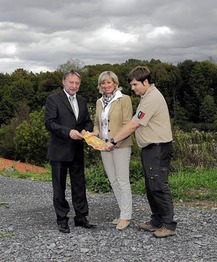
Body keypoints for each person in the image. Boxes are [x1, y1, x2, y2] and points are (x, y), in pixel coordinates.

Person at [104, 66, 176, 238]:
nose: (133, 88)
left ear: (145, 81)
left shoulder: (152, 98)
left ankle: (169, 225)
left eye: (135, 84)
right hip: (150, 148)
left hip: (158, 147)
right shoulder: (146, 96)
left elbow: (134, 124)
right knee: (151, 186)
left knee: (158, 186)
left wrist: (113, 140)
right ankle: (156, 220)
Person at [44, 70, 96, 233]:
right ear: (64, 82)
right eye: (71, 82)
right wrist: (68, 132)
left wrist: (86, 132)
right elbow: (49, 123)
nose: (74, 86)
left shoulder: (82, 100)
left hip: (77, 150)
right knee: (59, 187)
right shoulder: (53, 99)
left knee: (79, 185)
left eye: (77, 83)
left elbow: (87, 122)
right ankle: (62, 219)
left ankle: (81, 217)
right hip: (59, 151)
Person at [91, 71, 134, 230]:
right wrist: (94, 133)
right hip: (103, 146)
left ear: (115, 83)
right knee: (113, 181)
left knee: (122, 180)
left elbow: (127, 124)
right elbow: (97, 122)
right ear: (100, 85)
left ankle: (126, 216)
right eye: (103, 83)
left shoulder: (124, 99)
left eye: (109, 83)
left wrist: (114, 141)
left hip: (120, 145)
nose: (106, 86)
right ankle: (123, 212)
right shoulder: (99, 102)